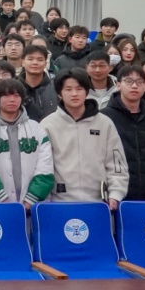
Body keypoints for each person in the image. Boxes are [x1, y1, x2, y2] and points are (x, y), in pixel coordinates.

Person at [40, 69, 128, 208]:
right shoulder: (47, 125)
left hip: (99, 203)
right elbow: (42, 166)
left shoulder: (104, 123)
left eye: (79, 89)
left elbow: (116, 163)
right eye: (68, 89)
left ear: (86, 92)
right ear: (59, 93)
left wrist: (115, 193)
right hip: (59, 203)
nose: (74, 94)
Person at [0, 78, 53, 206]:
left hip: (33, 205)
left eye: (16, 96)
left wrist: (31, 199)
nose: (12, 100)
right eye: (6, 95)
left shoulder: (36, 128)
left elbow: (45, 166)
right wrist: (1, 197)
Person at [102, 64, 145, 201]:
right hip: (116, 195)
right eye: (129, 81)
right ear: (118, 85)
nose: (135, 86)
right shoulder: (104, 118)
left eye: (139, 82)